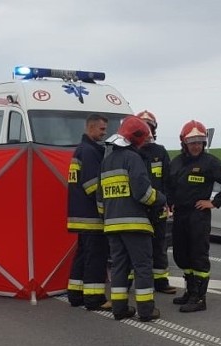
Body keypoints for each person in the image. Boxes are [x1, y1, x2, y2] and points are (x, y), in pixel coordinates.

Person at [99, 115, 166, 322]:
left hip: (112, 226)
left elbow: (100, 199)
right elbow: (143, 193)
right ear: (136, 138)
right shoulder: (133, 158)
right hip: (135, 224)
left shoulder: (107, 161)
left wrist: (108, 217)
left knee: (119, 267)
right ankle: (146, 311)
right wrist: (161, 198)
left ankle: (119, 308)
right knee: (143, 267)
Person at [167, 120, 221, 313]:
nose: (196, 146)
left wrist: (214, 202)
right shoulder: (176, 162)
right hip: (180, 215)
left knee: (198, 256)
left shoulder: (210, 162)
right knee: (182, 255)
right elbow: (170, 185)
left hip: (198, 216)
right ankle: (190, 291)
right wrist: (169, 203)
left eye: (200, 142)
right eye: (192, 142)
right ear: (184, 143)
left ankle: (199, 297)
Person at [66, 114, 111, 311]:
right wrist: (107, 208)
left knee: (83, 255)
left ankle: (75, 295)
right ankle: (95, 299)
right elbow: (94, 186)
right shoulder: (91, 152)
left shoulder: (80, 150)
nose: (105, 133)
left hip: (79, 215)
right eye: (101, 129)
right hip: (92, 216)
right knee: (96, 257)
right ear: (91, 127)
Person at [135, 110, 176, 295]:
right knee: (135, 246)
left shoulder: (160, 151)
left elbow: (169, 179)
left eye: (149, 127)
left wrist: (170, 201)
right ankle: (131, 282)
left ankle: (160, 281)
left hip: (158, 207)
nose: (146, 130)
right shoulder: (132, 151)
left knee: (159, 245)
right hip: (138, 208)